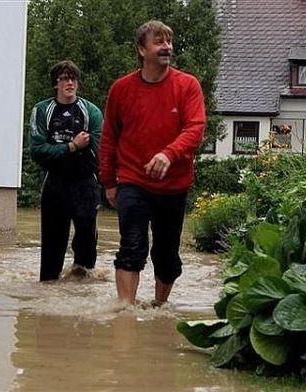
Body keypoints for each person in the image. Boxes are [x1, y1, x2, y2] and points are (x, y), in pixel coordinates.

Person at [99, 20, 206, 306]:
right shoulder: (121, 90)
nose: (166, 47)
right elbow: (109, 137)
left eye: (169, 42)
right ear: (141, 49)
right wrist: (109, 181)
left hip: (174, 186)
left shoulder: (188, 86)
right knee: (131, 246)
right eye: (159, 42)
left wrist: (168, 154)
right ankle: (125, 313)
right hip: (133, 180)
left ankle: (159, 307)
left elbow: (196, 128)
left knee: (166, 256)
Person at [30, 60, 103, 281]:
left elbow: (96, 152)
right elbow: (38, 151)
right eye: (64, 78)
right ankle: (49, 293)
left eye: (73, 78)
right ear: (56, 83)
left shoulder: (91, 111)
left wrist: (61, 152)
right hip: (55, 182)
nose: (69, 82)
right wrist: (71, 147)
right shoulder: (42, 110)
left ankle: (82, 286)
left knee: (87, 240)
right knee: (52, 244)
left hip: (85, 182)